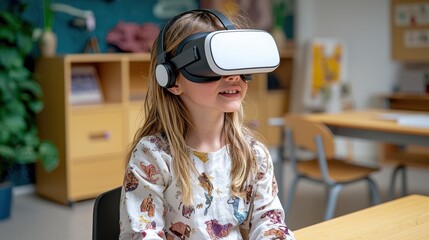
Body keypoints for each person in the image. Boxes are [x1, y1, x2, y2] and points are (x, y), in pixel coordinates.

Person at [119, 9, 295, 240]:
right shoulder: (153, 156)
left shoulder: (253, 154)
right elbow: (144, 233)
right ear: (171, 79)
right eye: (212, 66)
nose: (232, 76)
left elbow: (268, 222)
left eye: (235, 63)